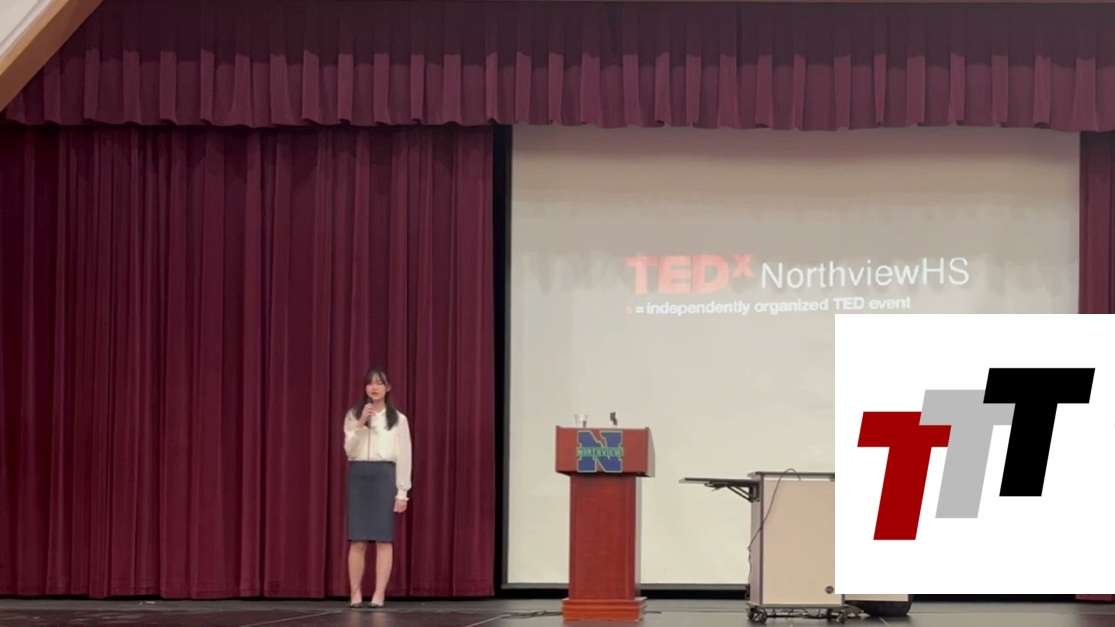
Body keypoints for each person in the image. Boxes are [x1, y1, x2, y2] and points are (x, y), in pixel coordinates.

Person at [343, 367, 412, 609]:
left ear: (388, 388)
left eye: (379, 383)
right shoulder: (353, 415)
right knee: (357, 539)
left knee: (384, 539)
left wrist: (402, 492)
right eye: (370, 383)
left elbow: (405, 456)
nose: (374, 387)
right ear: (365, 388)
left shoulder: (399, 419)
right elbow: (349, 451)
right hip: (359, 475)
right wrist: (361, 422)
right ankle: (355, 593)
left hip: (384, 476)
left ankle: (379, 593)